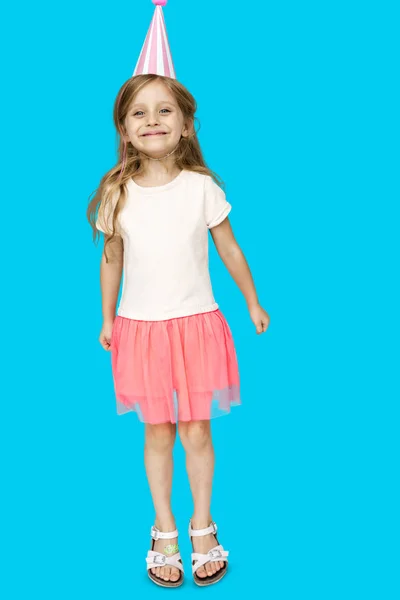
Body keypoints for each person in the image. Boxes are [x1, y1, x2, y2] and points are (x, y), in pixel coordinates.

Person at [87, 1, 270, 589]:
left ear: (186, 124)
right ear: (124, 128)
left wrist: (251, 300)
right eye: (139, 113)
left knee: (197, 428)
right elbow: (111, 258)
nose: (153, 120)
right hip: (141, 328)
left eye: (165, 110)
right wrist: (108, 317)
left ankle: (203, 523)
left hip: (196, 324)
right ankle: (162, 525)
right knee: (157, 430)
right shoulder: (118, 194)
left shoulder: (201, 188)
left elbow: (230, 249)